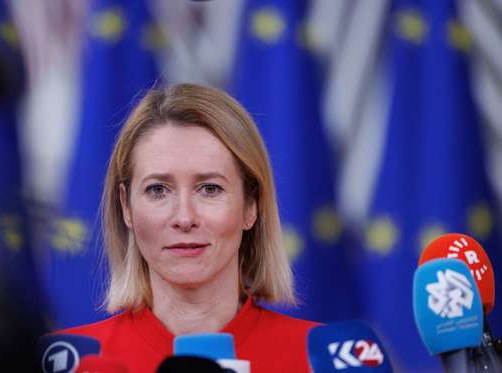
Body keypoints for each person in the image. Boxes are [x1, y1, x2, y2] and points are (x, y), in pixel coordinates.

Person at [58, 83, 319, 372]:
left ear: (251, 205)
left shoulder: (318, 361)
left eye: (209, 188)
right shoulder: (66, 362)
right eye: (158, 190)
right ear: (126, 206)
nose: (184, 218)